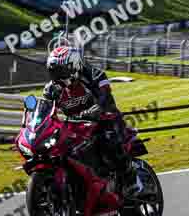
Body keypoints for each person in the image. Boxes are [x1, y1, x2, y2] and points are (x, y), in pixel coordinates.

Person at [43, 46, 142, 197]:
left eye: (60, 70)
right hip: (76, 127)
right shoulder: (51, 89)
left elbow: (105, 97)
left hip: (104, 118)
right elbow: (45, 110)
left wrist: (97, 109)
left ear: (74, 66)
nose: (57, 75)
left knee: (109, 138)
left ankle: (131, 178)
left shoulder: (93, 75)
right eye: (54, 71)